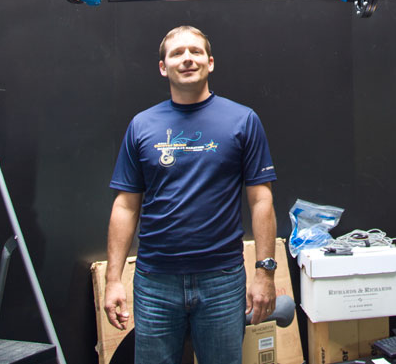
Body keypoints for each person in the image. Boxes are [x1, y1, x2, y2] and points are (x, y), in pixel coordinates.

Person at [103, 25, 278, 364]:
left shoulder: (243, 120)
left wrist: (265, 272)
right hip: (155, 282)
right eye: (177, 53)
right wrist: (113, 280)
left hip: (222, 281)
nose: (187, 59)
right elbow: (125, 206)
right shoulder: (142, 125)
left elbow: (261, 200)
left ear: (210, 63)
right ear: (163, 67)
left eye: (196, 52)